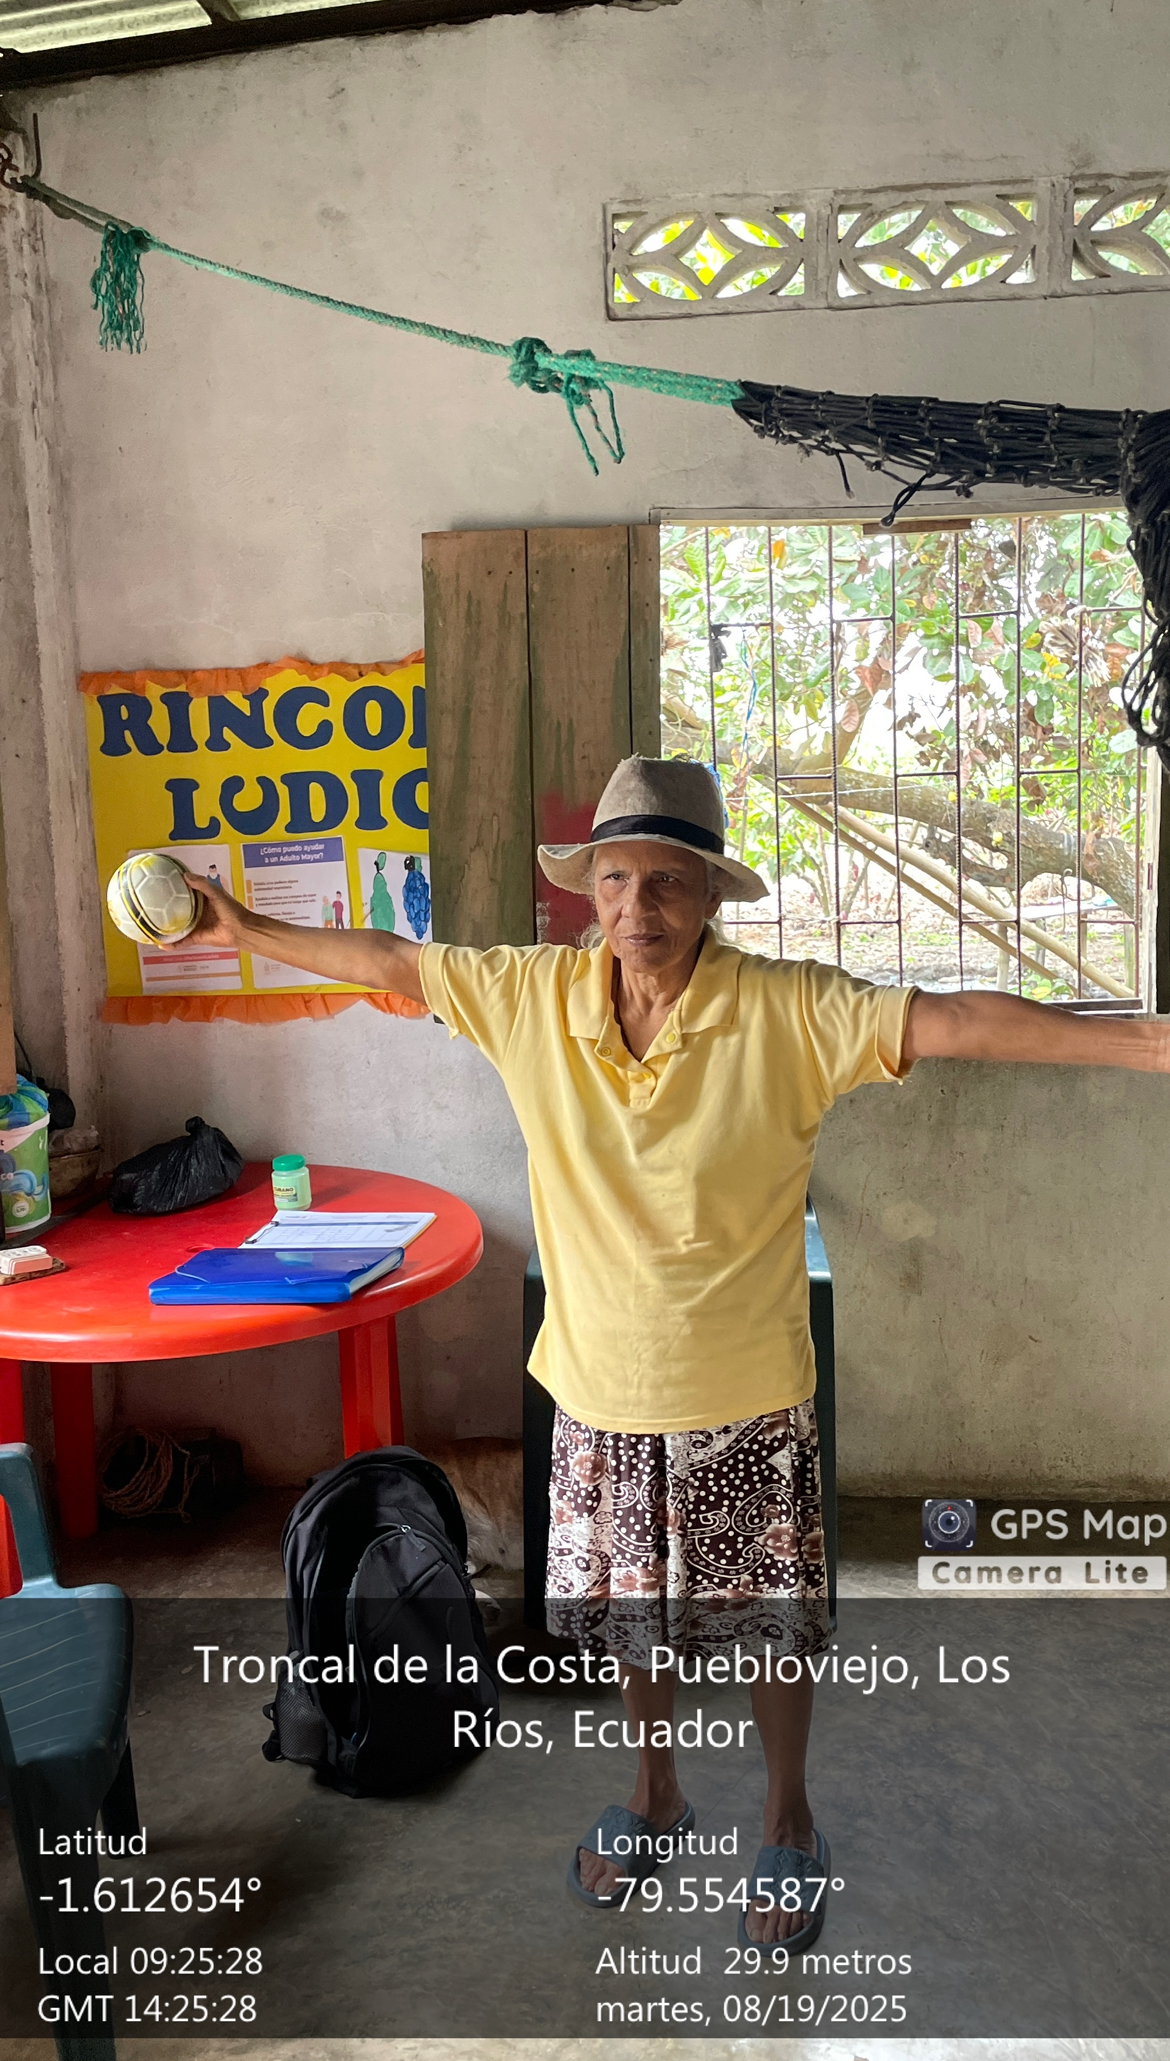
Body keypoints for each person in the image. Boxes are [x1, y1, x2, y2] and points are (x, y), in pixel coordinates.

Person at [178, 756, 1169, 1949]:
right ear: (586, 889)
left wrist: (1147, 1046)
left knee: (771, 1626)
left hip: (744, 1389)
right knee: (630, 1618)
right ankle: (655, 1792)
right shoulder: (530, 996)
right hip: (600, 1387)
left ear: (709, 895)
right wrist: (242, 927)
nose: (636, 908)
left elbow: (951, 1020)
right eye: (614, 879)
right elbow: (390, 963)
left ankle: (789, 1817)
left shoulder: (788, 1010)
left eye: (666, 882)